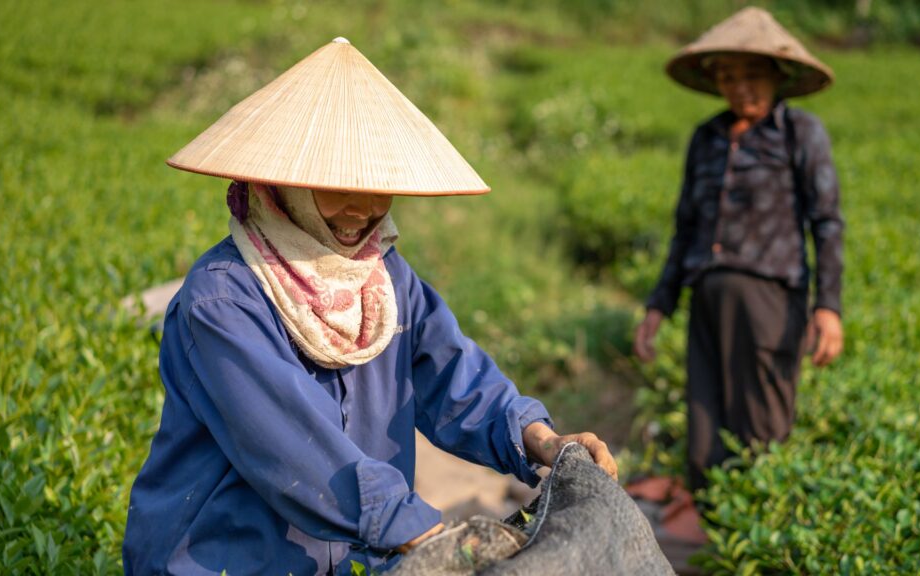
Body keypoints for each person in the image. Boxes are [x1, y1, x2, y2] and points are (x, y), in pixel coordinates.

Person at [124, 38, 616, 576]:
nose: (362, 210)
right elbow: (295, 450)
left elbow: (454, 375)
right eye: (336, 186)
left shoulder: (384, 281)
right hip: (223, 561)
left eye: (376, 186)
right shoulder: (223, 300)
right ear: (280, 184)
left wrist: (542, 440)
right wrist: (426, 536)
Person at [633, 8, 844, 491]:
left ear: (777, 75)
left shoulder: (799, 133)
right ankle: (712, 543)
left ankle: (760, 537)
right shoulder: (706, 137)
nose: (739, 87)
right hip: (706, 300)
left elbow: (827, 221)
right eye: (727, 77)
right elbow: (685, 226)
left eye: (751, 75)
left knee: (761, 428)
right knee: (705, 429)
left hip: (770, 299)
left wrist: (828, 307)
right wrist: (658, 306)